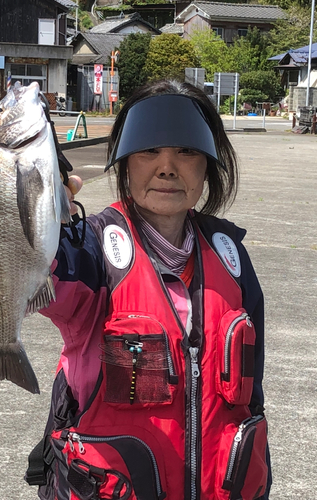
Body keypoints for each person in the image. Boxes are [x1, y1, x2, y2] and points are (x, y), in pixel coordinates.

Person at [25, 79, 271, 500]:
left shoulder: (232, 258)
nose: (167, 167)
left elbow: (251, 399)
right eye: (149, 150)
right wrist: (38, 211)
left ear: (209, 163)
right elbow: (38, 268)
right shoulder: (92, 250)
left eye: (187, 151)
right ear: (124, 162)